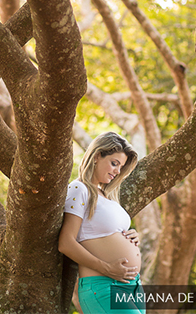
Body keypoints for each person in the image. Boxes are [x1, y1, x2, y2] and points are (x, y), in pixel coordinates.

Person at [59, 132, 144, 314]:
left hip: (132, 286)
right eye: (114, 163)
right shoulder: (79, 189)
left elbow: (108, 232)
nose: (117, 171)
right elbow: (66, 243)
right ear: (97, 156)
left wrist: (132, 236)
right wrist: (107, 268)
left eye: (121, 167)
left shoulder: (107, 195)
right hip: (104, 285)